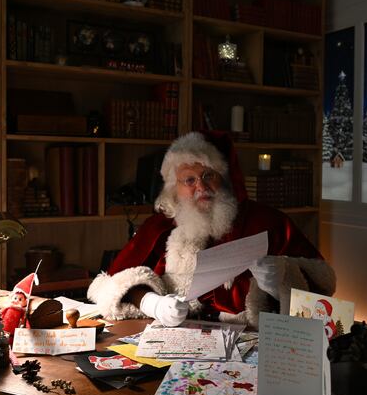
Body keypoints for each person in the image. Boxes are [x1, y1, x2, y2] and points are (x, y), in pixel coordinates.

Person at [88, 131, 335, 328]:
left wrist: (281, 279)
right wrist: (153, 304)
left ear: (224, 179)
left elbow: (322, 296)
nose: (201, 186)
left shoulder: (270, 222)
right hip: (177, 343)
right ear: (174, 188)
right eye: (189, 180)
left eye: (208, 175)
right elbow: (116, 282)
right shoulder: (159, 227)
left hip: (254, 343)